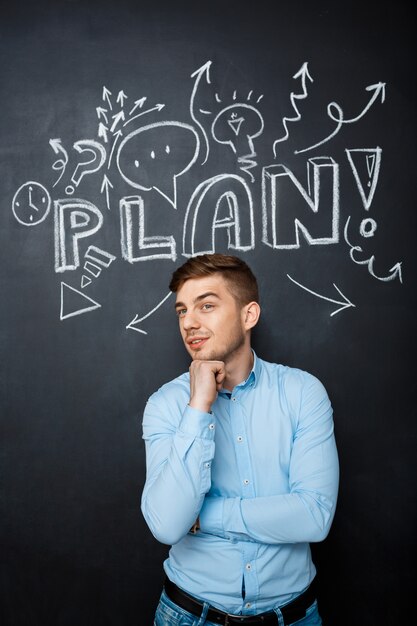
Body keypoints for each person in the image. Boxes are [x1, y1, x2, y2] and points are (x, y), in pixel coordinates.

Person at [141, 253, 339, 626]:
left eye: (207, 306)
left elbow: (314, 516)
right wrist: (198, 406)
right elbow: (167, 525)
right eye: (182, 311)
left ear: (249, 315)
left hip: (294, 617)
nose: (190, 323)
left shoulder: (302, 392)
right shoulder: (166, 405)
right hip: (189, 615)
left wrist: (201, 516)